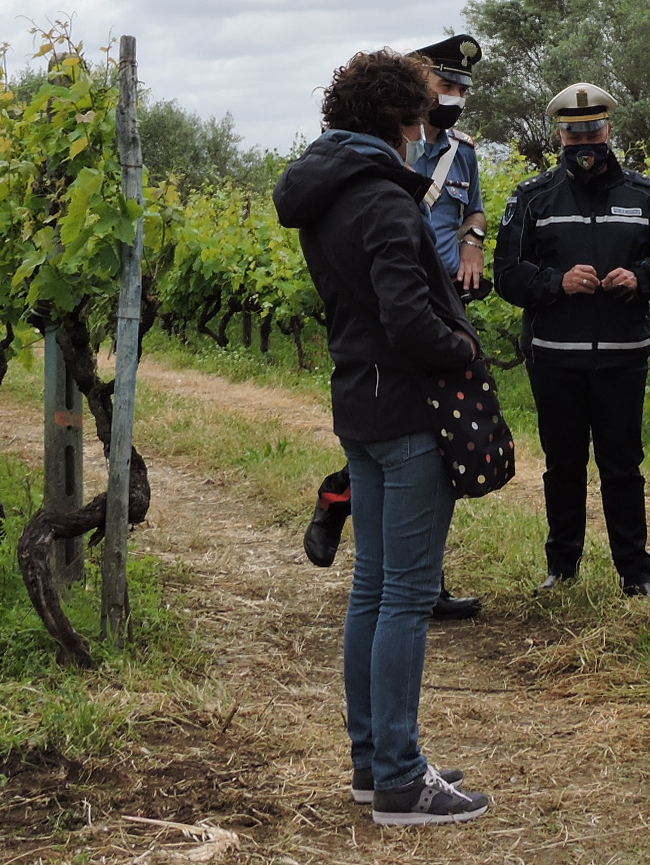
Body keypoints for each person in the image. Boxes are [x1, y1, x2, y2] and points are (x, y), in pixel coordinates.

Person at [272, 48, 494, 826]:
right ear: (404, 121)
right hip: (406, 411)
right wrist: (463, 346)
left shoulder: (327, 192)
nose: (426, 132)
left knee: (372, 589)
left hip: (358, 404)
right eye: (424, 118)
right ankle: (400, 778)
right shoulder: (388, 202)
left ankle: (374, 763)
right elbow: (409, 318)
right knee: (404, 595)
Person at [303, 35, 489, 620]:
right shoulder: (378, 164)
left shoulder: (461, 152)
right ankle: (349, 508)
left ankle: (424, 581)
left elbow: (474, 211)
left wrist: (474, 244)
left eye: (462, 90)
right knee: (410, 443)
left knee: (433, 447)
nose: (453, 98)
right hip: (397, 310)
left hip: (438, 297)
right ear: (417, 92)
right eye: (445, 87)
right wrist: (455, 349)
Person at [495, 82, 650, 596]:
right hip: (555, 359)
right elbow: (506, 274)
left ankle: (635, 575)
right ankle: (563, 569)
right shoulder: (532, 198)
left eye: (592, 131)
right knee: (563, 466)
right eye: (573, 135)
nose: (584, 144)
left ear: (609, 130)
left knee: (623, 467)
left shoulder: (643, 194)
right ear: (559, 137)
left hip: (624, 357)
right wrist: (556, 283)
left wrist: (639, 278)